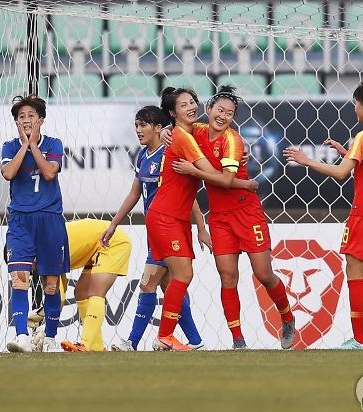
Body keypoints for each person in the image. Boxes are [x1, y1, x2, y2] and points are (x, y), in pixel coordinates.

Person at [283, 77, 363, 350]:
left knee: (354, 274)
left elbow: (342, 173)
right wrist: (347, 151)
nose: (354, 108)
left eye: (356, 103)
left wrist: (307, 161)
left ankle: (361, 340)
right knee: (357, 272)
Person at [171, 86, 295, 349]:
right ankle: (237, 339)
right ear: (209, 110)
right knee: (227, 276)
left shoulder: (233, 141)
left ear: (233, 118)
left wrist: (193, 172)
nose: (223, 116)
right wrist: (163, 130)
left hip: (247, 213)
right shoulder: (199, 131)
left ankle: (286, 316)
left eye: (229, 113)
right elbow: (177, 129)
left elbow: (227, 180)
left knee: (263, 274)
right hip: (219, 217)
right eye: (219, 110)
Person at [147, 87, 256, 351]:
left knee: (174, 277)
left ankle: (165, 336)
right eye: (183, 105)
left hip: (174, 216)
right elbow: (214, 172)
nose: (191, 106)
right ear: (173, 113)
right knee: (181, 274)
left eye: (193, 102)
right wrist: (245, 183)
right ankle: (163, 336)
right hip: (165, 216)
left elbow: (204, 175)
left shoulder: (189, 134)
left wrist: (238, 153)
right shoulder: (182, 138)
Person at [100, 105, 209, 351]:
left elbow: (187, 195)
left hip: (169, 228)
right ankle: (196, 342)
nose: (138, 131)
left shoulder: (168, 154)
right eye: (136, 126)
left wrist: (201, 227)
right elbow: (134, 193)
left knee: (149, 284)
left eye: (143, 125)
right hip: (156, 230)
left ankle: (132, 342)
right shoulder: (142, 156)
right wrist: (113, 225)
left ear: (159, 128)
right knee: (169, 286)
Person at [0, 95, 69, 353]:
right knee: (19, 278)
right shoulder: (9, 147)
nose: (26, 120)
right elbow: (8, 173)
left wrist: (34, 146)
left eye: (30, 116)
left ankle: (49, 338)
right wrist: (24, 146)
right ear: (16, 122)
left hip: (50, 219)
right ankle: (21, 336)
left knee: (51, 283)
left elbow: (50, 172)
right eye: (21, 117)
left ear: (41, 120)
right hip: (20, 220)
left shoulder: (53, 144)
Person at [58, 219, 132, 352]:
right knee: (80, 292)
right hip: (95, 244)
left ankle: (85, 344)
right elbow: (59, 292)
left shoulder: (47, 252)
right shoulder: (44, 247)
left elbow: (58, 298)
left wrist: (39, 315)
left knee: (95, 291)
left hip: (112, 241)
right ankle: (96, 347)